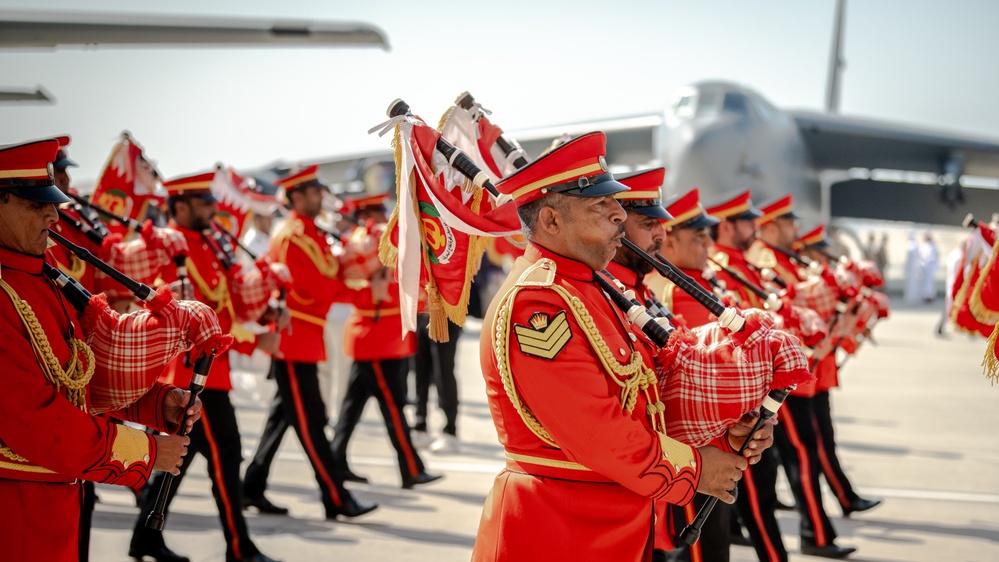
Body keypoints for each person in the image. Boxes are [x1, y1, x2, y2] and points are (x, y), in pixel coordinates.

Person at [471, 133, 765, 562]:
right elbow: (595, 428)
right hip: (558, 530)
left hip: (612, 523)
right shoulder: (538, 302)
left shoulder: (591, 287)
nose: (617, 216)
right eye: (601, 207)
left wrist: (721, 430)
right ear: (551, 222)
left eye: (616, 206)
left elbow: (641, 399)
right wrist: (696, 469)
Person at [0, 137, 210, 561]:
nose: (53, 215)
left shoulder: (42, 274)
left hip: (56, 494)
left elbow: (75, 376)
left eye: (52, 202)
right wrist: (145, 452)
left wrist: (156, 405)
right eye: (34, 204)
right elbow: (37, 420)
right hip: (15, 507)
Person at [128, 171, 287, 562]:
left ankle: (144, 541)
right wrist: (251, 342)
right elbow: (188, 320)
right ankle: (239, 548)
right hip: (190, 377)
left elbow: (230, 304)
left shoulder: (213, 244)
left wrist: (266, 305)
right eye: (203, 202)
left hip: (213, 372)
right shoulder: (171, 250)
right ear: (179, 206)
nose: (212, 209)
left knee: (174, 461)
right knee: (225, 457)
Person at [242, 165, 379, 519]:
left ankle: (251, 487)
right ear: (295, 197)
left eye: (320, 191)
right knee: (312, 421)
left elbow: (329, 274)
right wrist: (362, 292)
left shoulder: (310, 233)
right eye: (314, 192)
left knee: (285, 415)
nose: (321, 196)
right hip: (294, 337)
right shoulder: (291, 236)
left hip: (305, 336)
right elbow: (312, 288)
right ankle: (335, 497)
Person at [330, 192, 442, 488]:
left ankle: (335, 461)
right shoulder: (362, 246)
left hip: (380, 340)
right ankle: (410, 468)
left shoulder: (381, 248)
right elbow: (350, 290)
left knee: (351, 409)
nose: (384, 219)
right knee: (393, 408)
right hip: (378, 342)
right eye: (379, 214)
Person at [412, 313, 463, 453]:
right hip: (420, 312)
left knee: (443, 373)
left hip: (444, 313)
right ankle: (420, 425)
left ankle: (450, 430)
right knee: (419, 372)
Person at [919, 231, 940, 303]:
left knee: (930, 282)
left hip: (931, 266)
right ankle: (925, 296)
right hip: (925, 267)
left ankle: (930, 296)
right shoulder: (924, 246)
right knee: (925, 282)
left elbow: (935, 256)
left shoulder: (933, 246)